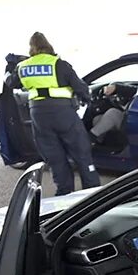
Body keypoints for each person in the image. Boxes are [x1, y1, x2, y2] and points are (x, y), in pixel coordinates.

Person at [15, 32, 100, 196]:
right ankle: (92, 193)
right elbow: (80, 87)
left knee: (55, 158)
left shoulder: (24, 66)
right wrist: (86, 99)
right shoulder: (59, 64)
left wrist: (13, 65)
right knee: (81, 153)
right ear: (48, 45)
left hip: (39, 116)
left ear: (31, 47)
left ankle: (63, 195)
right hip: (63, 114)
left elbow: (11, 82)